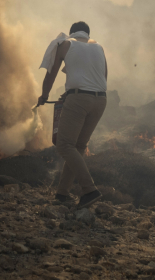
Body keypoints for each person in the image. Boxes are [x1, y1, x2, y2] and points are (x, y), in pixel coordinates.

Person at [37, 21, 107, 209]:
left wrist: (44, 96)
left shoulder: (66, 44)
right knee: (78, 146)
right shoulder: (99, 48)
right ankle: (62, 193)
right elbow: (102, 77)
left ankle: (90, 190)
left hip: (79, 100)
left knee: (65, 145)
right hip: (101, 100)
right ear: (87, 34)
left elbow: (51, 75)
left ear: (71, 33)